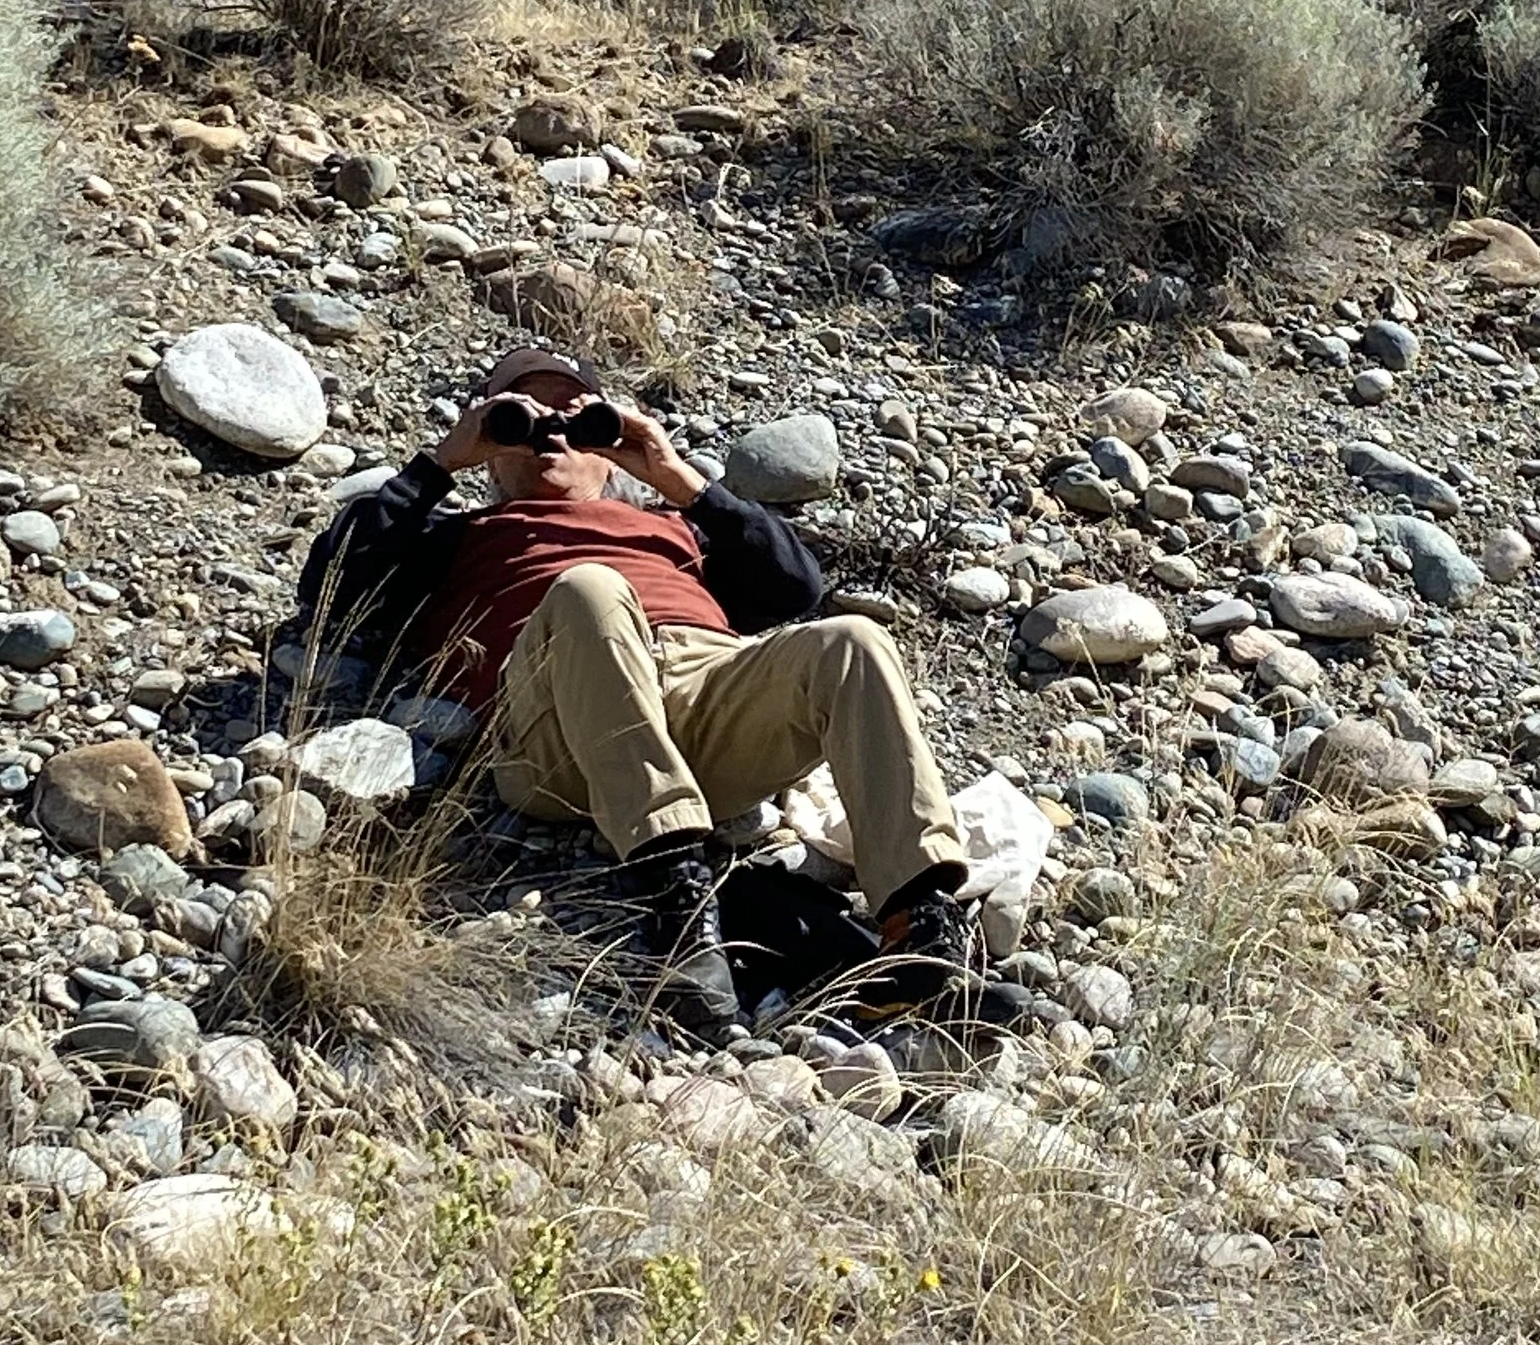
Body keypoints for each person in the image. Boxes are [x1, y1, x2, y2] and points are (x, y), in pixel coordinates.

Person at [292, 343, 1013, 1036]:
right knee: (591, 589)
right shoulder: (459, 535)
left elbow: (797, 586)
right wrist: (443, 462)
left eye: (576, 418)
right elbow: (328, 588)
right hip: (560, 723)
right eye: (518, 417)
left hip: (704, 691)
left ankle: (915, 927)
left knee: (854, 641)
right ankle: (675, 898)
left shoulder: (669, 524)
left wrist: (677, 477)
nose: (551, 433)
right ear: (489, 444)